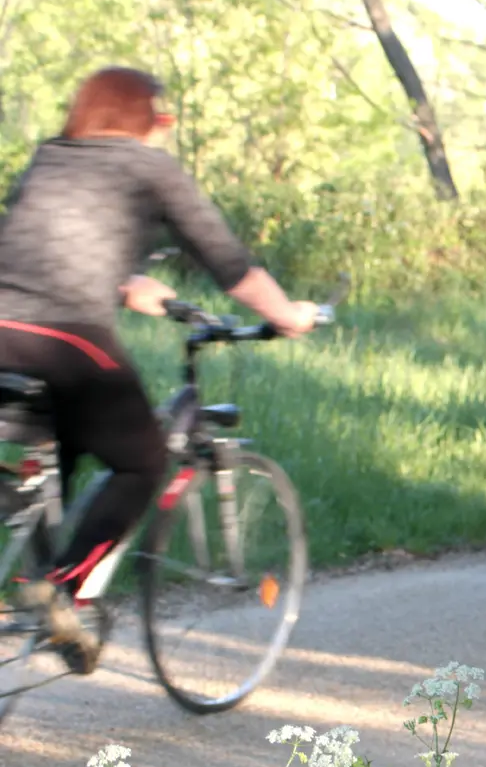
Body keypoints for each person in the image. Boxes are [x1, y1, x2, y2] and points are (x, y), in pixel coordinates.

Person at [0, 66, 320, 673]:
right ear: (143, 118)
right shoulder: (150, 166)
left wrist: (125, 283)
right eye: (162, 117)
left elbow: (34, 248)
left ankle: (39, 568)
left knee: (69, 439)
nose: (165, 128)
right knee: (142, 459)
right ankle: (61, 589)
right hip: (66, 336)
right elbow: (229, 264)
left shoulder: (50, 156)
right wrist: (289, 314)